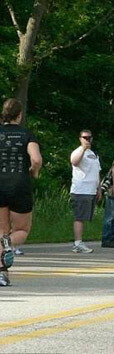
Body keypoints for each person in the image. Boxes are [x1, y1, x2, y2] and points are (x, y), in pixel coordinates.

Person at [0, 98, 42, 286]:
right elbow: (36, 160)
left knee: (2, 232)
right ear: (19, 115)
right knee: (22, 230)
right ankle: (6, 246)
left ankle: (2, 273)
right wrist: (34, 173)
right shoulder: (27, 134)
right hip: (19, 184)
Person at [70, 129, 101, 253]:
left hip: (91, 190)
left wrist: (98, 188)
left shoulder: (94, 154)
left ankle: (80, 241)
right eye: (84, 137)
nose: (87, 140)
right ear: (80, 139)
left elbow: (97, 171)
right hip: (81, 190)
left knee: (85, 217)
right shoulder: (77, 152)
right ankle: (77, 243)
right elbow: (74, 162)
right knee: (80, 217)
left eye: (89, 138)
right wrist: (83, 149)